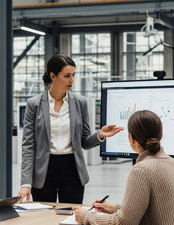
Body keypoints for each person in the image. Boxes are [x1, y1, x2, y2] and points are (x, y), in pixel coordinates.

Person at [73, 110, 174, 225]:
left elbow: (123, 224)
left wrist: (86, 216)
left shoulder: (142, 170)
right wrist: (116, 208)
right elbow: (156, 210)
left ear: (131, 138)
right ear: (160, 135)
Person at [18, 54, 123, 204]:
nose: (72, 80)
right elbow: (28, 146)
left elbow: (85, 142)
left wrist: (99, 134)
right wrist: (25, 183)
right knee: (43, 218)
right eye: (67, 76)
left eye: (73, 75)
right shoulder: (34, 104)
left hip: (73, 171)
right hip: (43, 173)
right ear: (53, 76)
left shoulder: (80, 103)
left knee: (71, 218)